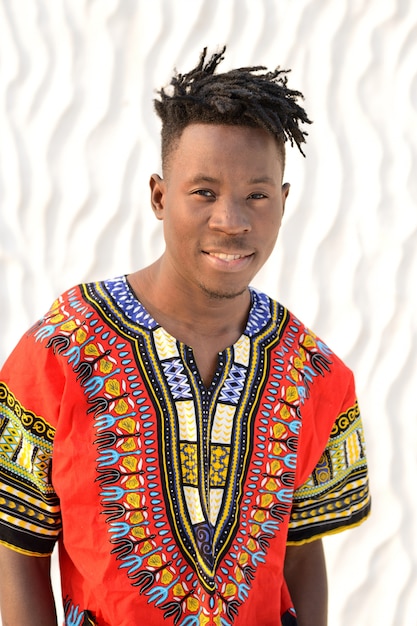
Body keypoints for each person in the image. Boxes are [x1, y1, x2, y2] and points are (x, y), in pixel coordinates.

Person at [0, 47, 370, 626]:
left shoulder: (314, 372)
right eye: (203, 192)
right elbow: (16, 554)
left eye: (257, 194)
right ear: (158, 196)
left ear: (283, 202)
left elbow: (301, 556)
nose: (232, 220)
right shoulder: (60, 349)